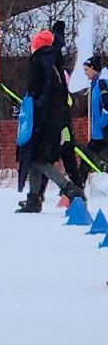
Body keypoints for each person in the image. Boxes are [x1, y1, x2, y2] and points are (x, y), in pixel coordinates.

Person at [16, 28, 83, 212]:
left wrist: (30, 112)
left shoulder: (38, 61)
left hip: (41, 120)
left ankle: (68, 187)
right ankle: (34, 199)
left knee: (34, 158)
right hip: (56, 120)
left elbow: (34, 90)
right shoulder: (55, 64)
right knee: (37, 157)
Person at [82, 54, 108, 169]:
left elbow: (106, 106)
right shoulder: (94, 85)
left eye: (87, 70)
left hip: (102, 132)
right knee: (87, 158)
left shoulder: (101, 84)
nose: (85, 73)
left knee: (86, 159)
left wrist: (101, 123)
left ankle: (79, 184)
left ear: (93, 68)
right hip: (98, 132)